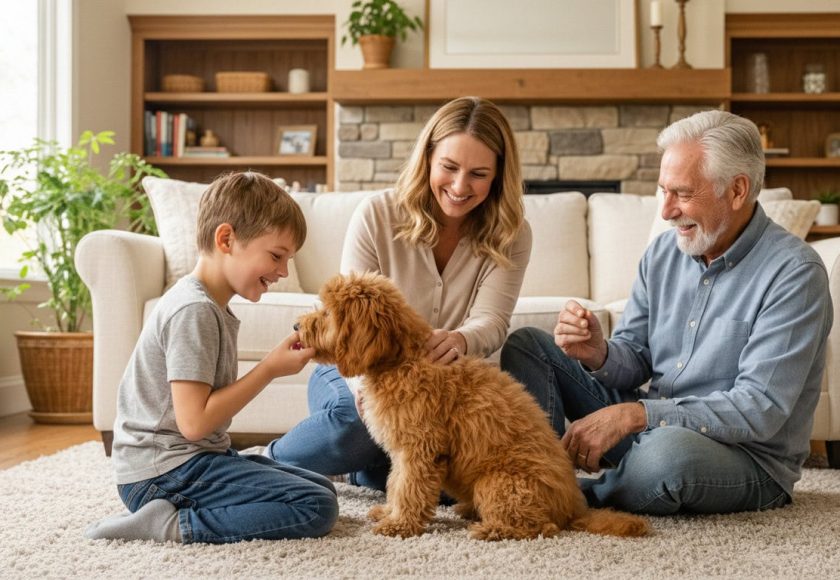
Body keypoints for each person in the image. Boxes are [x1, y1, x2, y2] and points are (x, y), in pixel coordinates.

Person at [500, 110, 832, 515]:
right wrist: (597, 352)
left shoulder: (794, 273)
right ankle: (532, 474)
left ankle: (561, 496)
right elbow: (636, 358)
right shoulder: (663, 252)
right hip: (654, 428)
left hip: (742, 457)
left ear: (738, 190)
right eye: (663, 192)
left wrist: (635, 415)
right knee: (529, 345)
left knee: (667, 459)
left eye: (683, 193)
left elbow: (758, 409)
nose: (666, 211)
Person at [266, 96, 533, 490]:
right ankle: (258, 464)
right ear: (427, 158)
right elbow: (345, 317)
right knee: (355, 431)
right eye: (449, 167)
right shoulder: (376, 214)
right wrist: (365, 393)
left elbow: (492, 320)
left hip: (441, 386)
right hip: (356, 366)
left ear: (498, 176)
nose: (460, 187)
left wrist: (461, 338)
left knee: (436, 462)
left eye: (478, 174)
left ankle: (371, 471)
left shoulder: (512, 233)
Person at [85, 172, 338, 543]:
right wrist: (269, 369)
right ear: (226, 239)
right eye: (276, 256)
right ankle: (169, 524)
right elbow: (195, 423)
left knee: (320, 486)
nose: (283, 271)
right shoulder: (194, 311)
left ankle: (188, 506)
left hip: (186, 461)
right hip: (162, 473)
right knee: (316, 506)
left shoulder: (209, 307)